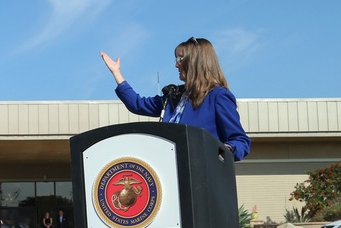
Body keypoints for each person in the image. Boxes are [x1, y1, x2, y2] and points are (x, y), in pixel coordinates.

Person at [100, 37, 250, 161]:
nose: (176, 64)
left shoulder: (218, 96)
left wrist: (221, 153)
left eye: (180, 59)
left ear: (196, 61)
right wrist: (116, 72)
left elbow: (240, 141)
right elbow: (137, 104)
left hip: (201, 177)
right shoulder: (174, 96)